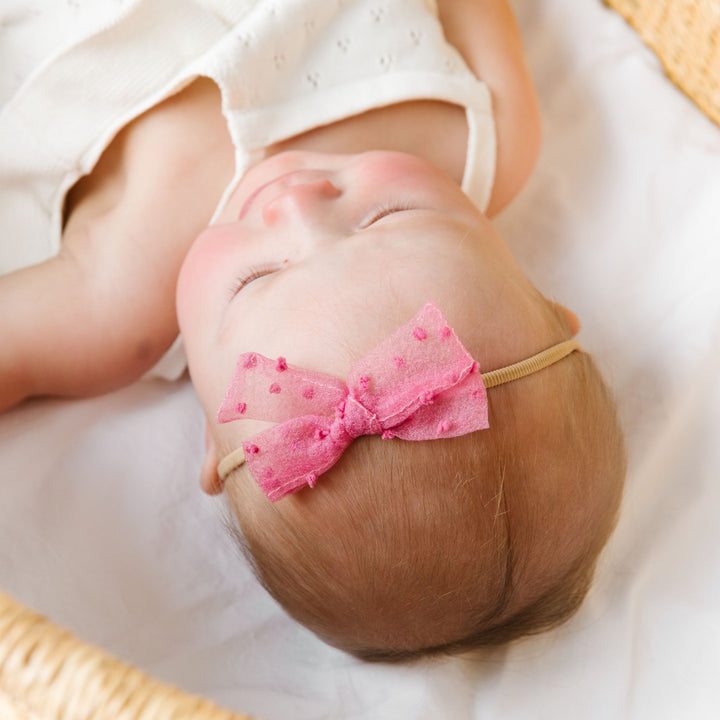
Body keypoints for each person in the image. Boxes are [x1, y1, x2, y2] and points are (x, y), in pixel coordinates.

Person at [0, 0, 625, 660]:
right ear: (554, 307)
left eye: (258, 279)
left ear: (216, 433)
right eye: (386, 217)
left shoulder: (116, 299)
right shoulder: (487, 135)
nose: (294, 202)